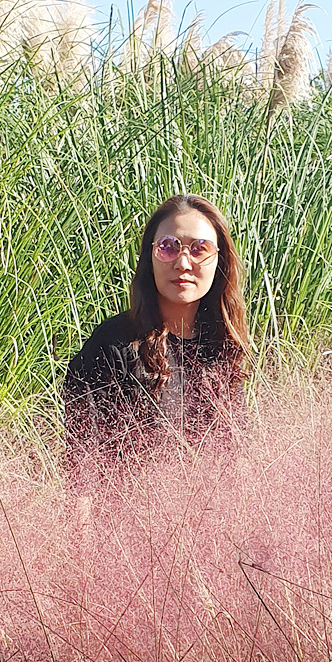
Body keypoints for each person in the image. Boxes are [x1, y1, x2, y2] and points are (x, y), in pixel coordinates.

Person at [62, 194, 248, 473]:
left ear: (219, 260)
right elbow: (82, 468)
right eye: (168, 247)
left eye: (200, 249)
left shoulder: (222, 347)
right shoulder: (114, 346)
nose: (183, 263)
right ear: (150, 257)